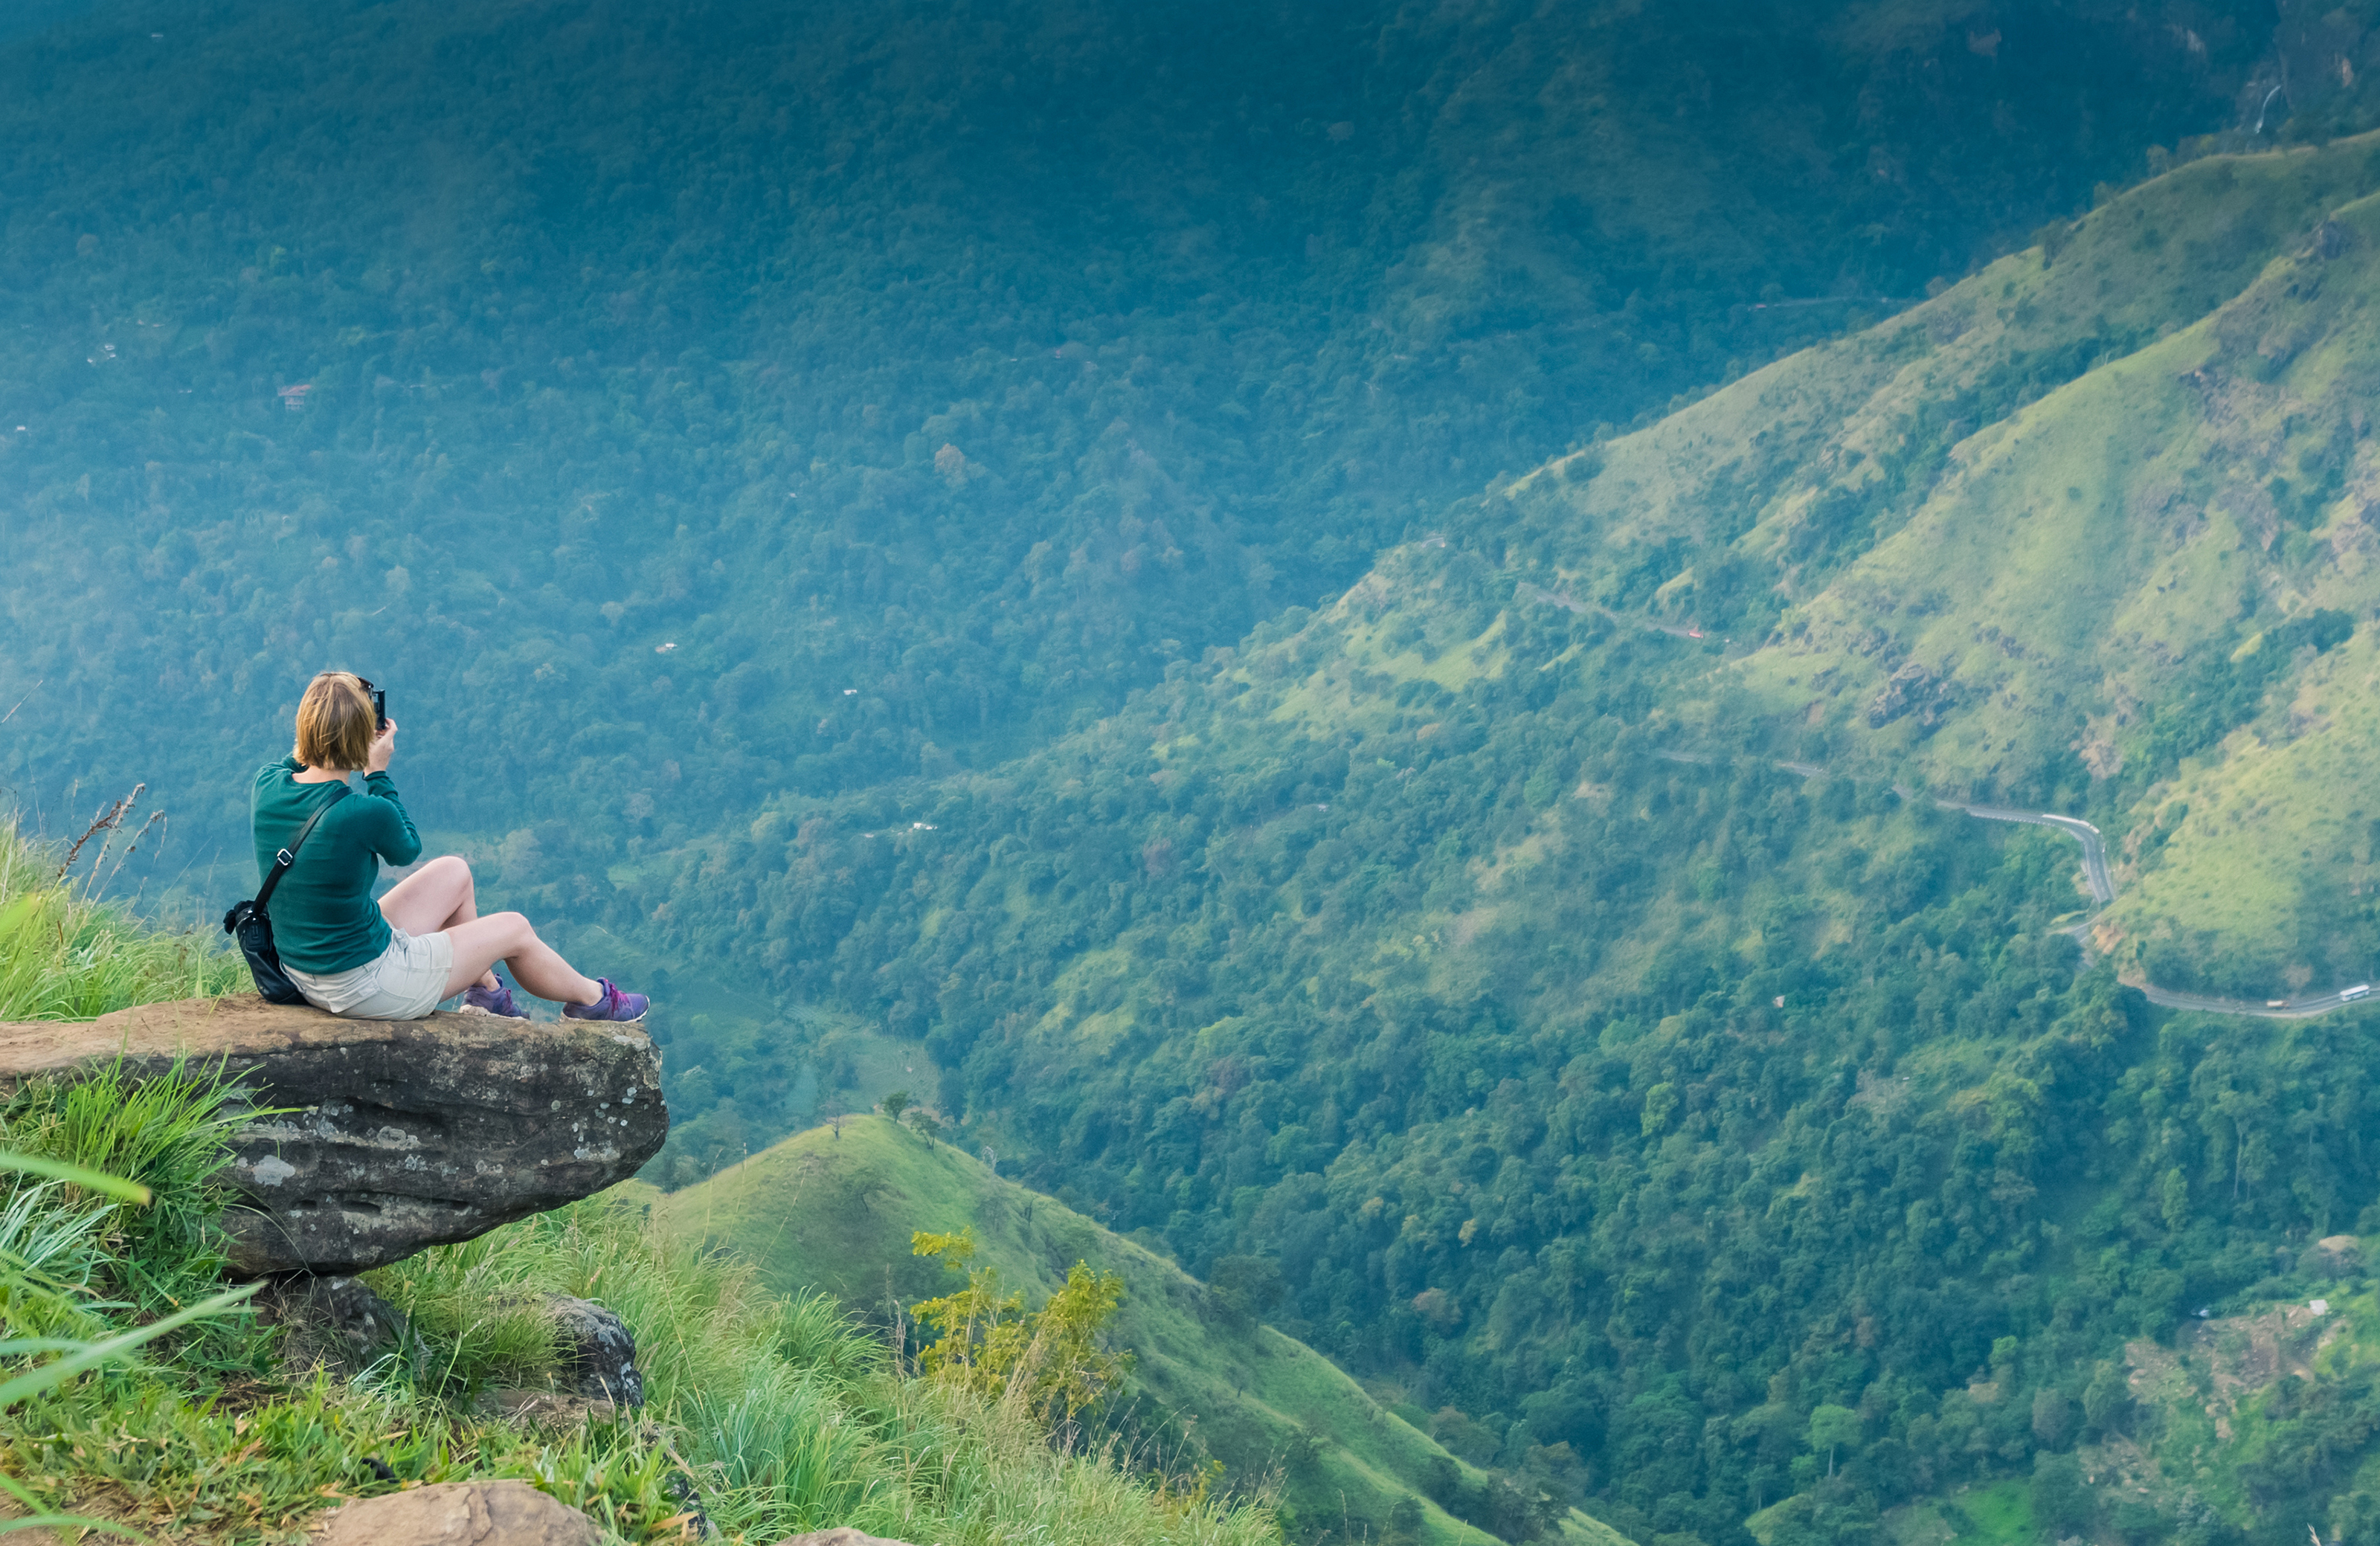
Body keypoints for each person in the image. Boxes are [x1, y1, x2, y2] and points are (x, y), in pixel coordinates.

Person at [251, 670, 647, 1022]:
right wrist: (376, 772)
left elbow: (303, 756)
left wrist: (335, 727)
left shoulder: (267, 784)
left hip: (305, 970)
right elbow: (406, 849)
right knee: (516, 929)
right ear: (360, 736)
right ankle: (594, 1001)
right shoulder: (362, 811)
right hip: (366, 986)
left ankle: (487, 993)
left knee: (454, 872)